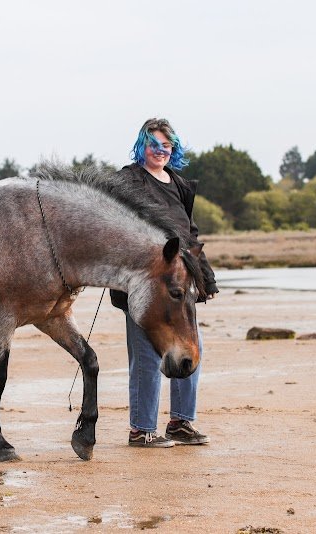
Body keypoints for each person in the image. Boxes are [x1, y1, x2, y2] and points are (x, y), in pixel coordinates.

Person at [110, 118, 219, 448]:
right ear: (143, 145)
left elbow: (191, 234)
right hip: (145, 282)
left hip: (180, 282)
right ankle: (141, 429)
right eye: (154, 145)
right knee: (146, 356)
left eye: (166, 146)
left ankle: (181, 423)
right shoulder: (128, 179)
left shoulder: (181, 185)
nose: (160, 152)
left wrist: (206, 278)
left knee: (190, 348)